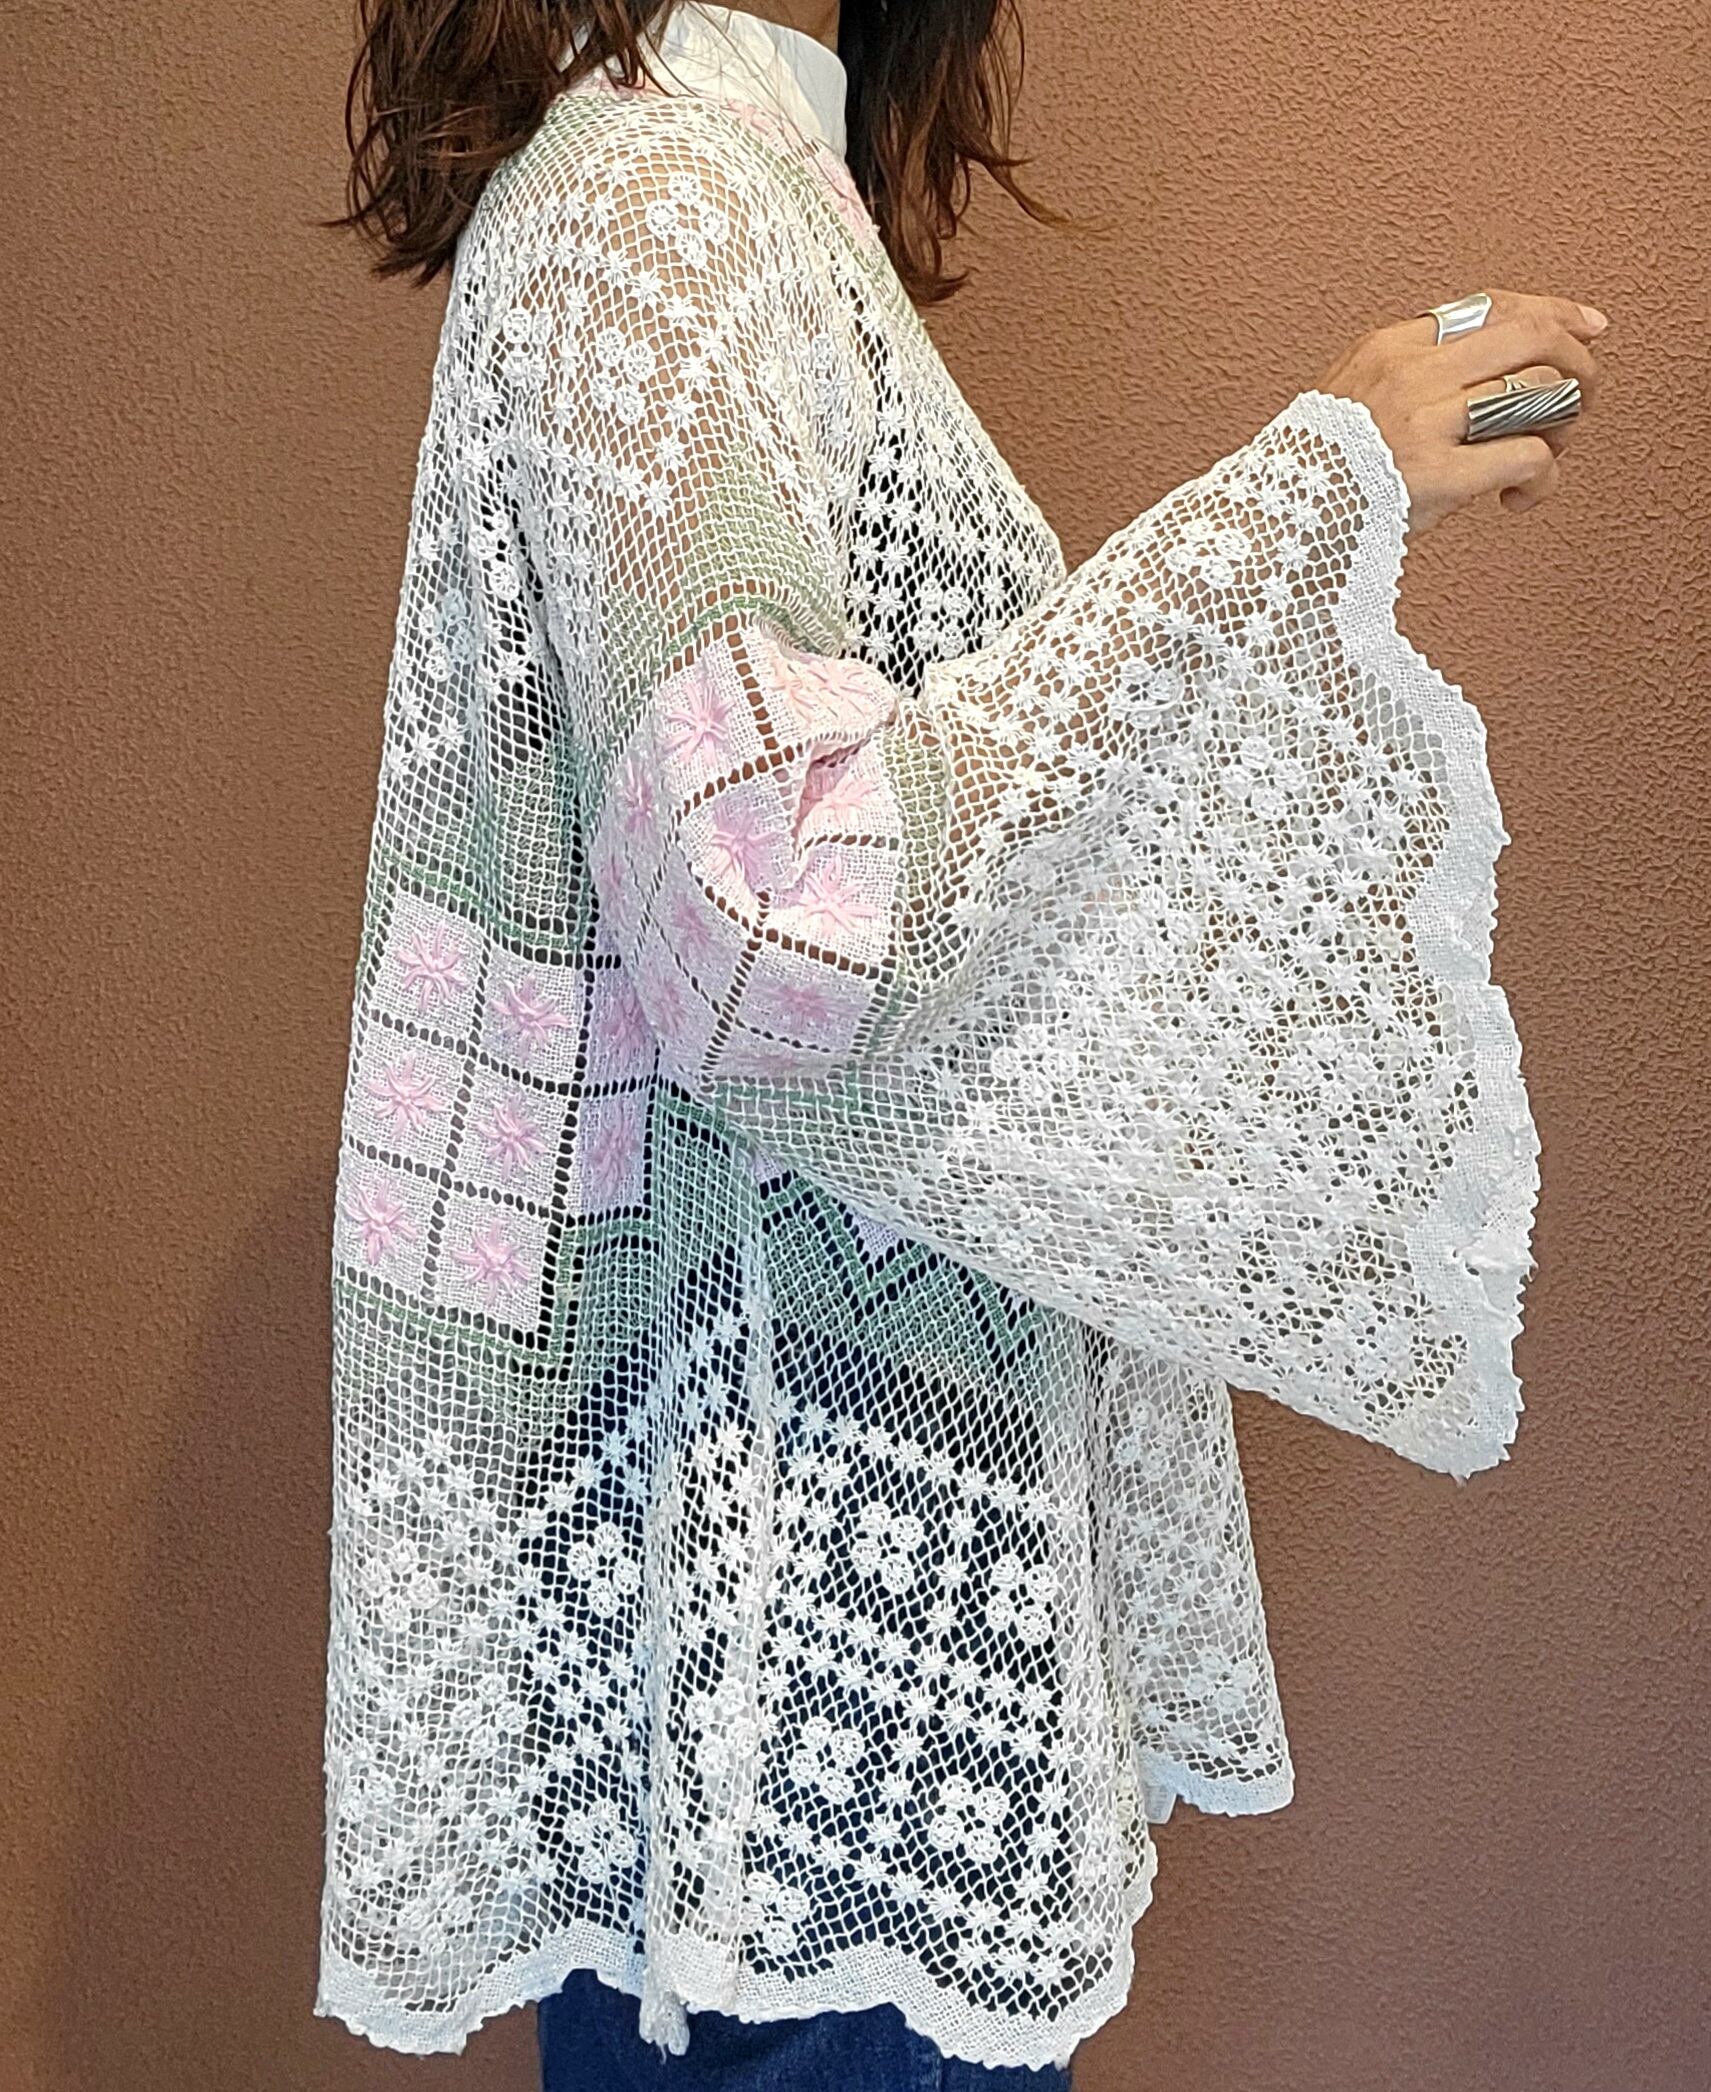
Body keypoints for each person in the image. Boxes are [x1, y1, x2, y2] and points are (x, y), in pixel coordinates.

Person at [315, 4, 1606, 2086]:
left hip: (832, 1608)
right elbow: (765, 915)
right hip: (792, 1631)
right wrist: (1298, 500)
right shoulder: (654, 196)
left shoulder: (750, 175)